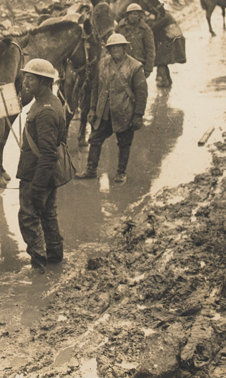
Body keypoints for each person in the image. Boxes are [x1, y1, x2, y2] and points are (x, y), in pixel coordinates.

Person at [76, 33, 148, 183]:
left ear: (124, 48)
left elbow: (141, 93)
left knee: (124, 143)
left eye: (118, 47)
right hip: (104, 111)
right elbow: (96, 87)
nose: (116, 50)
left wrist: (138, 115)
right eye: (112, 48)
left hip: (124, 112)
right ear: (108, 49)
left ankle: (121, 173)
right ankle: (90, 170)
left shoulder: (135, 67)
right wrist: (92, 108)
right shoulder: (102, 64)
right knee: (95, 139)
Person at [16, 58, 66, 273]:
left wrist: (37, 186)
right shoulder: (48, 101)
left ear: (44, 82)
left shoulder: (45, 111)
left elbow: (47, 154)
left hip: (38, 174)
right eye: (25, 77)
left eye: (30, 79)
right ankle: (55, 257)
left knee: (28, 217)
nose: (25, 82)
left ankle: (39, 265)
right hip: (44, 174)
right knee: (48, 213)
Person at [116, 3, 155, 79]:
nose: (133, 16)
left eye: (135, 14)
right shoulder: (120, 27)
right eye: (131, 14)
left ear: (139, 15)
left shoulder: (146, 30)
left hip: (138, 65)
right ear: (127, 15)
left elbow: (150, 50)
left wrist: (148, 69)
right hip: (121, 64)